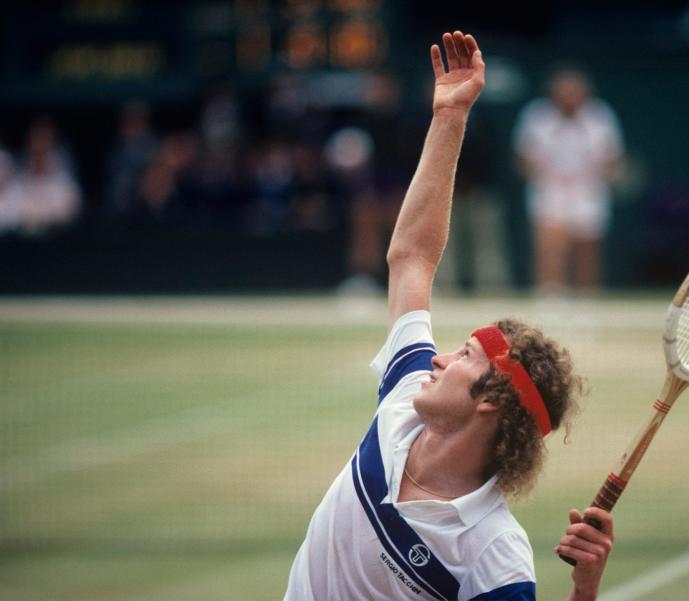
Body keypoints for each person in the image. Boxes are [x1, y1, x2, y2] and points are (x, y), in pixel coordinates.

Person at [283, 32, 614, 601]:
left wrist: (584, 592)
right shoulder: (403, 402)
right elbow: (410, 257)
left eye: (465, 355)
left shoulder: (494, 556)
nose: (438, 356)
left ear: (491, 399)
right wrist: (451, 115)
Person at [513, 67, 625, 296]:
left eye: (574, 92)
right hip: (550, 189)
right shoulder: (537, 115)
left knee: (588, 246)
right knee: (550, 245)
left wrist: (606, 175)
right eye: (564, 92)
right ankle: (550, 295)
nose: (569, 98)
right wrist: (539, 173)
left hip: (588, 190)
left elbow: (613, 158)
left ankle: (587, 296)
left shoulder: (600, 115)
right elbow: (523, 157)